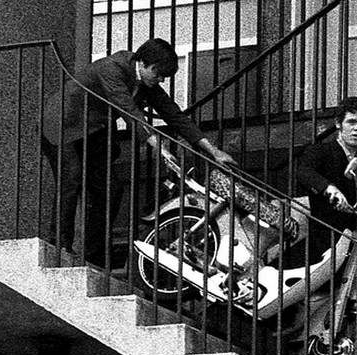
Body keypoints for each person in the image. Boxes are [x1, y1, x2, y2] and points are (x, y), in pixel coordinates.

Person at [42, 38, 235, 264]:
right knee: (71, 178)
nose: (160, 79)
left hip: (93, 131)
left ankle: (93, 254)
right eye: (158, 73)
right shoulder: (112, 68)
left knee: (110, 189)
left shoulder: (146, 83)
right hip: (62, 124)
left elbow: (175, 115)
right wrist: (157, 145)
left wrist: (213, 151)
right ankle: (59, 245)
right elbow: (127, 109)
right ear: (143, 64)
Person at [293, 97, 357, 255]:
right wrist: (329, 188)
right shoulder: (320, 152)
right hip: (326, 246)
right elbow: (304, 172)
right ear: (338, 124)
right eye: (351, 122)